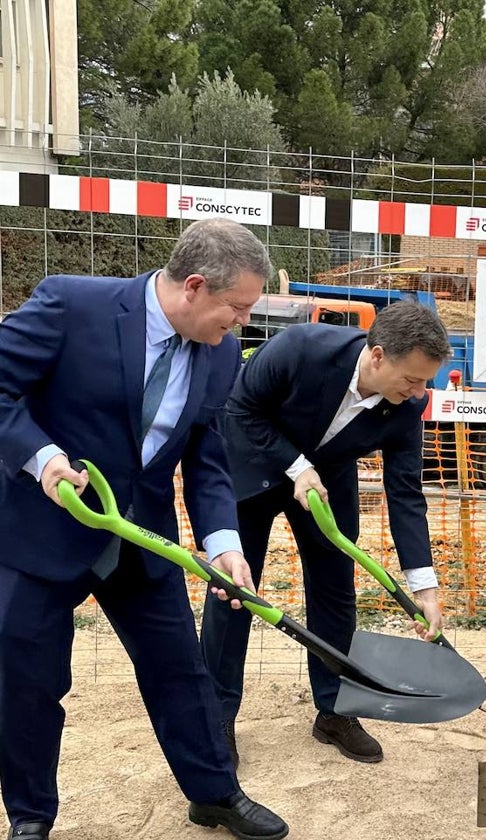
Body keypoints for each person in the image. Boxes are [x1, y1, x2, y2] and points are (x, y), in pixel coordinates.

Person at [0, 219, 288, 840]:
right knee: (27, 681)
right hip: (41, 533)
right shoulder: (70, 305)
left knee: (179, 669)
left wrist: (224, 544)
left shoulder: (218, 356)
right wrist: (43, 457)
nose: (241, 324)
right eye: (236, 308)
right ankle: (30, 818)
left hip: (140, 538)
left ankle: (214, 794)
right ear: (193, 287)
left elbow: (207, 456)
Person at [200, 300, 451, 765]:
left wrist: (425, 587)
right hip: (253, 467)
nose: (419, 392)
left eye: (426, 382)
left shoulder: (405, 408)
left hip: (327, 485)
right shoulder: (301, 348)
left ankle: (334, 710)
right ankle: (215, 717)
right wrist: (296, 467)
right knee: (234, 591)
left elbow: (406, 494)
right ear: (378, 355)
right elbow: (240, 410)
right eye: (412, 379)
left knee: (336, 593)